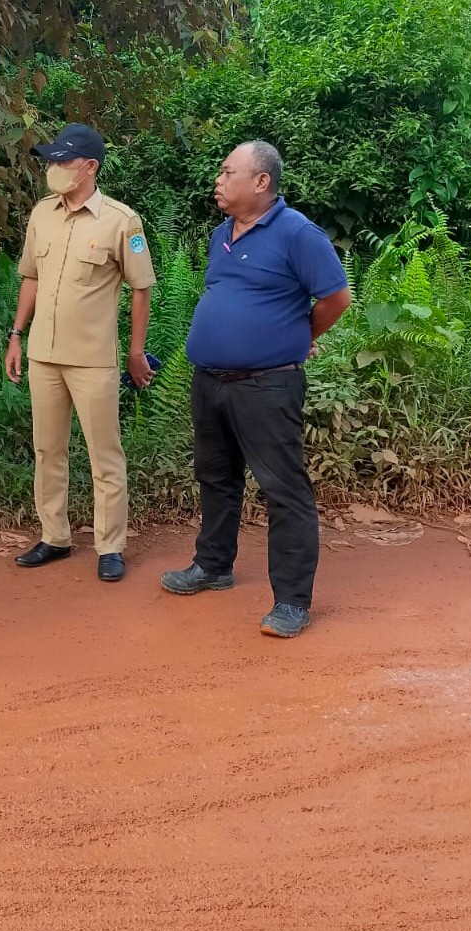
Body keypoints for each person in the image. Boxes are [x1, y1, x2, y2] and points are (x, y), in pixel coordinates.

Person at [160, 141, 351, 637]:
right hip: (211, 381)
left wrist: (297, 334)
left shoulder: (297, 233)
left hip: (267, 385)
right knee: (216, 478)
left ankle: (291, 600)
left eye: (228, 172)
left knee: (283, 488)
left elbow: (336, 298)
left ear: (261, 182)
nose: (218, 180)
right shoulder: (221, 234)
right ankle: (214, 566)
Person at [4, 123, 156, 582]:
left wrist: (135, 351)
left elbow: (142, 288)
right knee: (48, 449)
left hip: (92, 359)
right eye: (51, 162)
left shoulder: (120, 221)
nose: (53, 169)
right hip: (43, 355)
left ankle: (110, 545)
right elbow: (30, 277)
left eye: (62, 162)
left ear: (89, 167)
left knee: (103, 454)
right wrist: (16, 333)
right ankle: (55, 536)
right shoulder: (41, 214)